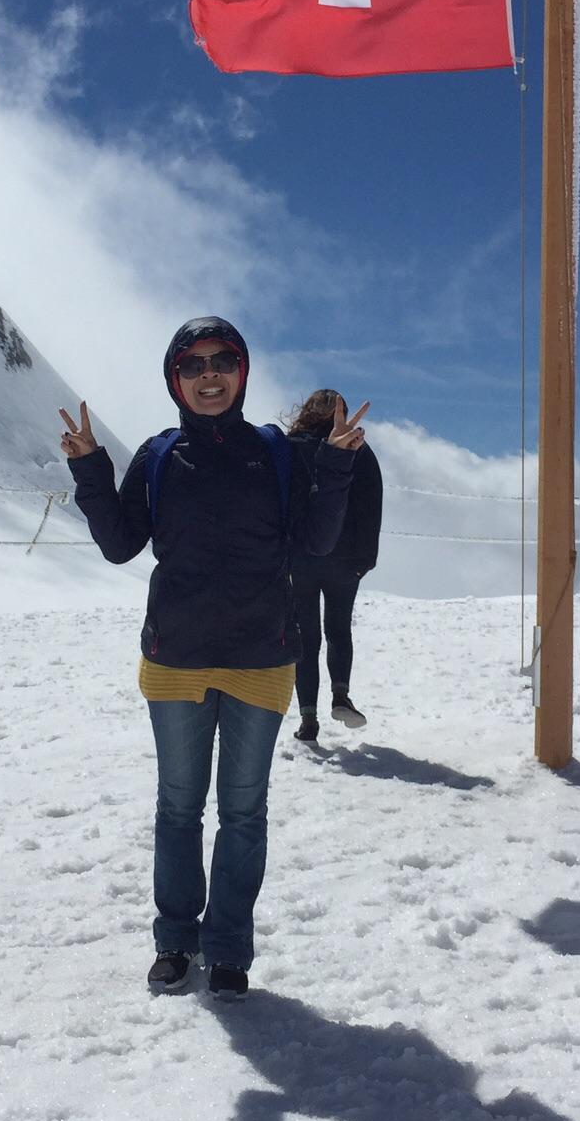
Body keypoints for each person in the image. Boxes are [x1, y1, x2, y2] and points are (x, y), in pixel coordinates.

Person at [61, 317, 364, 1001]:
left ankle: (227, 950)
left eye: (222, 360)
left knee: (243, 813)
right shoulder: (160, 455)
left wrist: (336, 464)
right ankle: (174, 942)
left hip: (262, 659)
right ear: (175, 379)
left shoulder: (276, 452)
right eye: (192, 364)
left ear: (242, 372)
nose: (209, 375)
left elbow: (315, 542)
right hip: (176, 659)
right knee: (178, 808)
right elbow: (120, 544)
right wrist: (89, 469)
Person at [284, 389, 384, 742]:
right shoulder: (360, 451)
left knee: (306, 637)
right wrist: (365, 560)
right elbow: (371, 506)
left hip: (300, 560)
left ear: (306, 411)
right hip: (345, 561)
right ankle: (341, 695)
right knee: (339, 630)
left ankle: (308, 718)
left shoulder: (290, 449)